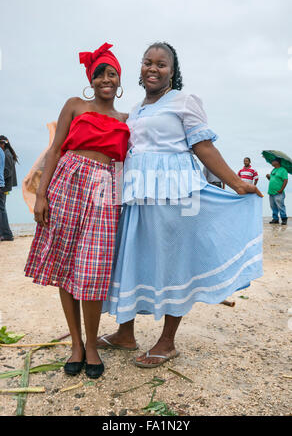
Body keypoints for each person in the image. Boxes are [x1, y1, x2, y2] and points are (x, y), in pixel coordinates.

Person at [99, 42, 263, 368]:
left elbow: (203, 147)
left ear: (172, 72)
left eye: (161, 64)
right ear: (140, 68)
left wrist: (236, 183)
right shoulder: (136, 109)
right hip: (137, 197)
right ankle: (125, 333)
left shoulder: (184, 102)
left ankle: (167, 341)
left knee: (173, 264)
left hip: (176, 196)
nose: (153, 69)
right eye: (148, 62)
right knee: (133, 258)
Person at [24, 43, 130, 378]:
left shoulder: (127, 118)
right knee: (65, 264)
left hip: (105, 191)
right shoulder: (74, 105)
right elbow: (55, 150)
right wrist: (41, 196)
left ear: (119, 79)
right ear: (91, 80)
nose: (105, 79)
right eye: (99, 74)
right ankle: (76, 344)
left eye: (111, 73)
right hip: (67, 182)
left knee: (92, 270)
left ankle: (94, 347)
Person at [0, 136, 18, 241]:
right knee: (2, 208)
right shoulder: (7, 154)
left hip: (3, 187)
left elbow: (6, 172)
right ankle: (4, 233)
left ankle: (6, 234)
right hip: (5, 186)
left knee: (1, 209)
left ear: (3, 144)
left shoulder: (6, 155)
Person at [266, 158, 288, 225]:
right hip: (271, 192)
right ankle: (275, 219)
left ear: (277, 162)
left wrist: (281, 189)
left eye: (273, 161)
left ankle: (284, 219)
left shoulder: (283, 170)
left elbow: (285, 180)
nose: (271, 162)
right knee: (273, 206)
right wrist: (268, 177)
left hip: (278, 192)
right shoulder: (273, 170)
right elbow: (272, 180)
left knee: (280, 206)